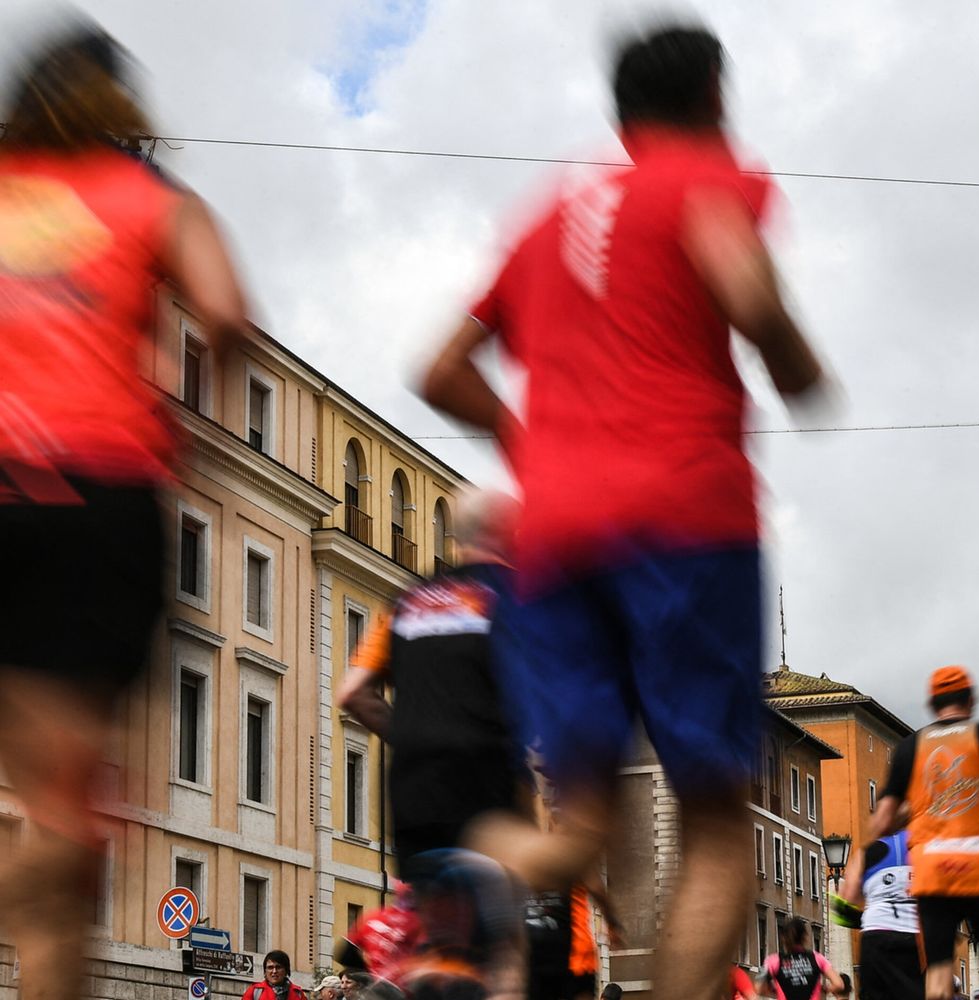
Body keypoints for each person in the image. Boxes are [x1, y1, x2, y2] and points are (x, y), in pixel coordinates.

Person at [421, 22, 830, 1000]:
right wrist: (795, 362)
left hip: (556, 539)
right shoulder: (703, 178)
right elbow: (749, 293)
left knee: (584, 830)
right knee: (719, 823)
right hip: (685, 520)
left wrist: (538, 450)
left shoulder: (548, 212)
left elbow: (439, 371)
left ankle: (486, 842)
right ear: (715, 99)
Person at [0, 18, 247, 1000]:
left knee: (49, 821)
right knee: (63, 824)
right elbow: (225, 313)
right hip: (92, 494)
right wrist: (182, 423)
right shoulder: (148, 194)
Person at [337, 490, 530, 879]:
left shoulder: (410, 601)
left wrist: (411, 735)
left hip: (414, 790)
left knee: (433, 917)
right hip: (485, 782)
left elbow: (351, 692)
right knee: (501, 918)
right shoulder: (518, 596)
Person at [869, 666, 979, 1000]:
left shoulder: (911, 747)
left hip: (932, 872)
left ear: (932, 705)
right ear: (971, 700)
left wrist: (917, 811)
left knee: (939, 970)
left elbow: (881, 822)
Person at [836, 830, 921, 1000]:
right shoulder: (924, 846)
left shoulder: (867, 852)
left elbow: (843, 903)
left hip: (876, 933)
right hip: (915, 936)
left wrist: (867, 917)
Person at [762, 917, 849, 1000]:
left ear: (784, 938)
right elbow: (839, 984)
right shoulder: (817, 958)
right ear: (804, 937)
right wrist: (824, 989)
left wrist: (773, 989)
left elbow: (759, 985)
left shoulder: (773, 961)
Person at [240, 952, 310, 1000]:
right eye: (270, 967)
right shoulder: (255, 991)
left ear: (286, 970)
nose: (274, 971)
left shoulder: (298, 993)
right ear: (265, 971)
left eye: (278, 967)